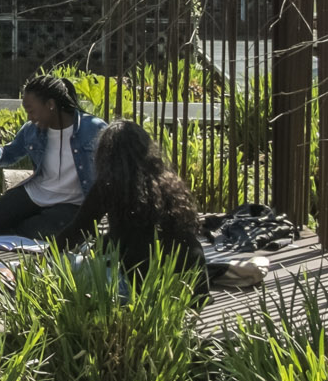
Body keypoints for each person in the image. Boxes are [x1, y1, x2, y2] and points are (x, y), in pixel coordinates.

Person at [53, 119, 210, 300]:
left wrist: (47, 257)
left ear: (106, 154)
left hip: (145, 288)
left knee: (73, 268)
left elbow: (79, 229)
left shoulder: (109, 184)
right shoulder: (168, 181)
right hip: (195, 285)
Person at [0, 75, 106, 238]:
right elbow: (10, 153)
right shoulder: (32, 130)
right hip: (35, 193)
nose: (29, 117)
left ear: (50, 105)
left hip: (73, 203)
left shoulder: (94, 129)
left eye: (31, 111)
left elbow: (113, 167)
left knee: (35, 230)